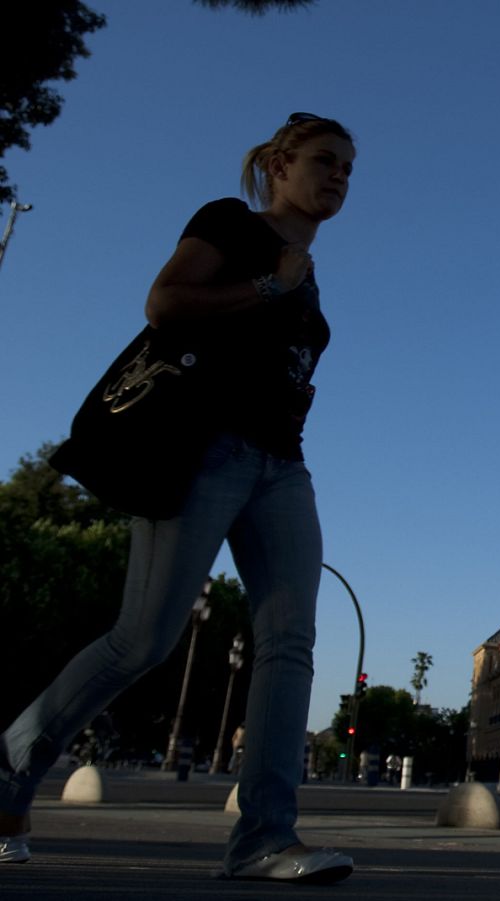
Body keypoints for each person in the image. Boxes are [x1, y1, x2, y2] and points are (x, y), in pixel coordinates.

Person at [0, 113, 358, 883]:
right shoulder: (231, 221)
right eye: (326, 161)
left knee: (290, 643)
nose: (339, 177)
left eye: (348, 170)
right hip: (205, 449)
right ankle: (9, 770)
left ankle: (264, 837)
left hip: (282, 465)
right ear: (279, 164)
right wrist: (268, 286)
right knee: (144, 638)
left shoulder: (307, 266)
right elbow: (164, 304)